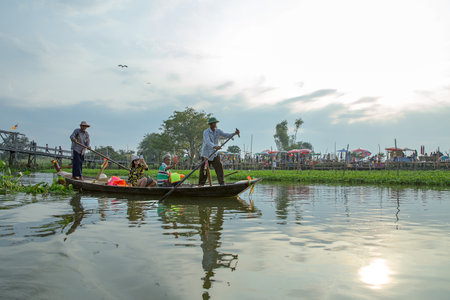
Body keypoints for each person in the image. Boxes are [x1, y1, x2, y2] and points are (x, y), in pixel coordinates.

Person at [199, 117, 239, 186]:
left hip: (214, 153)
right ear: (210, 124)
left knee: (219, 167)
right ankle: (201, 185)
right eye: (214, 123)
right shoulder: (206, 132)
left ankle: (222, 183)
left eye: (215, 123)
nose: (215, 124)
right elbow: (207, 141)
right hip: (206, 154)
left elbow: (225, 135)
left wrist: (234, 133)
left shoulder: (218, 131)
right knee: (204, 170)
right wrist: (215, 146)